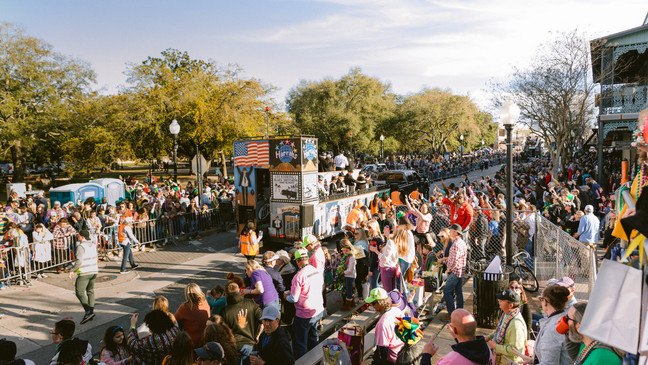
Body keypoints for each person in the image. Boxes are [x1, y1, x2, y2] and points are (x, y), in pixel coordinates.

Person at [285, 248, 325, 359]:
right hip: (317, 310)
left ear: (297, 261)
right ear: (307, 259)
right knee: (313, 338)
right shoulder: (315, 270)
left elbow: (294, 298)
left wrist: (286, 296)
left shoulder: (298, 276)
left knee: (299, 343)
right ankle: (315, 360)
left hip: (304, 314)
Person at [420, 309, 494, 365]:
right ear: (475, 324)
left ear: (454, 330)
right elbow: (468, 347)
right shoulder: (487, 350)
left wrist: (426, 355)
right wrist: (457, 336)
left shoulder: (450, 361)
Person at [219, 282, 263, 364]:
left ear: (227, 294)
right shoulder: (251, 303)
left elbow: (222, 332)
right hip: (249, 344)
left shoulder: (224, 311)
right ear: (239, 291)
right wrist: (258, 335)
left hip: (233, 346)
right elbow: (262, 320)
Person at [485, 289, 527, 365]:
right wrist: (489, 336)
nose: (499, 300)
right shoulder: (507, 314)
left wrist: (496, 346)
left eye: (502, 300)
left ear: (511, 305)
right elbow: (500, 330)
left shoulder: (516, 325)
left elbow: (516, 350)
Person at [533, 284, 571, 365]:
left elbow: (549, 363)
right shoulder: (563, 319)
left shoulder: (552, 329)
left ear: (545, 302)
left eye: (541, 299)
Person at [366, 287, 404, 364]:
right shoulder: (396, 310)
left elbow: (383, 350)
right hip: (401, 353)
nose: (372, 306)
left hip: (391, 359)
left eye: (373, 303)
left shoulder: (382, 324)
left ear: (380, 303)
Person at [68, 229, 98, 324]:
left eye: (79, 236)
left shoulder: (81, 246)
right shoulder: (93, 245)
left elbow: (79, 261)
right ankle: (91, 312)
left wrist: (72, 269)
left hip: (85, 272)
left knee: (79, 292)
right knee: (90, 291)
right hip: (94, 271)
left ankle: (88, 311)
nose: (77, 237)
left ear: (82, 237)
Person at [441, 224, 467, 321]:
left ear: (455, 232)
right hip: (460, 270)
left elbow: (454, 260)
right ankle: (460, 312)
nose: (449, 232)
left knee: (447, 291)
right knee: (458, 291)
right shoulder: (462, 243)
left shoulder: (455, 244)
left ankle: (452, 314)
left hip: (455, 271)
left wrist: (448, 269)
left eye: (451, 231)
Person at [175, 283, 211, 347]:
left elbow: (174, 320)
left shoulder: (185, 307)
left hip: (191, 342)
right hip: (205, 340)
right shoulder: (204, 302)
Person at [370, 226, 399, 292]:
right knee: (392, 291)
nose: (383, 231)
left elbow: (385, 258)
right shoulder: (390, 241)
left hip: (387, 269)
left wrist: (376, 251)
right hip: (390, 268)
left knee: (388, 292)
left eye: (385, 229)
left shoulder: (390, 242)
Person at [338, 240, 357, 311]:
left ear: (350, 250)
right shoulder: (346, 257)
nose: (345, 252)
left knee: (349, 290)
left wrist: (343, 273)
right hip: (348, 276)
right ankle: (352, 303)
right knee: (350, 289)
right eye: (344, 251)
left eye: (347, 251)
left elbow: (350, 270)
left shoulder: (351, 258)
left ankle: (347, 305)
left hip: (350, 276)